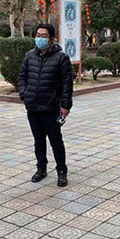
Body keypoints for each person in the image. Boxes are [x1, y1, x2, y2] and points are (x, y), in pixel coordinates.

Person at [18, 23, 73, 187]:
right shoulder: (29, 56)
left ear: (52, 39)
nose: (40, 39)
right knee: (38, 140)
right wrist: (24, 94)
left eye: (44, 36)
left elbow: (67, 84)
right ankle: (41, 168)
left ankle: (61, 171)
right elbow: (22, 77)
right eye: (37, 35)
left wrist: (65, 105)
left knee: (56, 141)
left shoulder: (61, 58)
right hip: (33, 106)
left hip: (51, 107)